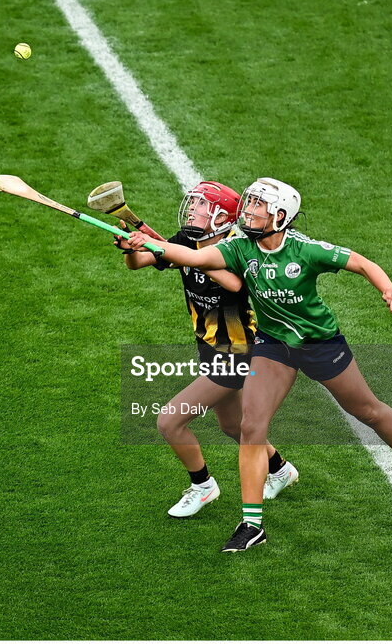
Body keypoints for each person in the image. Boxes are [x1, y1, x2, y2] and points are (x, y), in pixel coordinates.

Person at [127, 177, 392, 552]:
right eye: (247, 204)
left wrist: (386, 286)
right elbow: (195, 257)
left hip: (319, 344)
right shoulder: (239, 247)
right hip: (272, 346)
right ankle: (252, 523)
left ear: (280, 216)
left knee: (370, 412)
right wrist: (147, 244)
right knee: (250, 426)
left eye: (256, 207)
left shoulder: (305, 250)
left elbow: (360, 262)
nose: (247, 212)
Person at [117, 181, 298, 518]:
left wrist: (181, 255)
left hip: (238, 353)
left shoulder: (237, 249)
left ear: (221, 217)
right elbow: (139, 262)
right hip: (210, 348)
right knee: (232, 426)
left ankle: (203, 486)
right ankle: (281, 470)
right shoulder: (189, 240)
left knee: (169, 421)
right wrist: (132, 248)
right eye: (194, 204)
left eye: (201, 206)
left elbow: (234, 283)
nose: (192, 210)